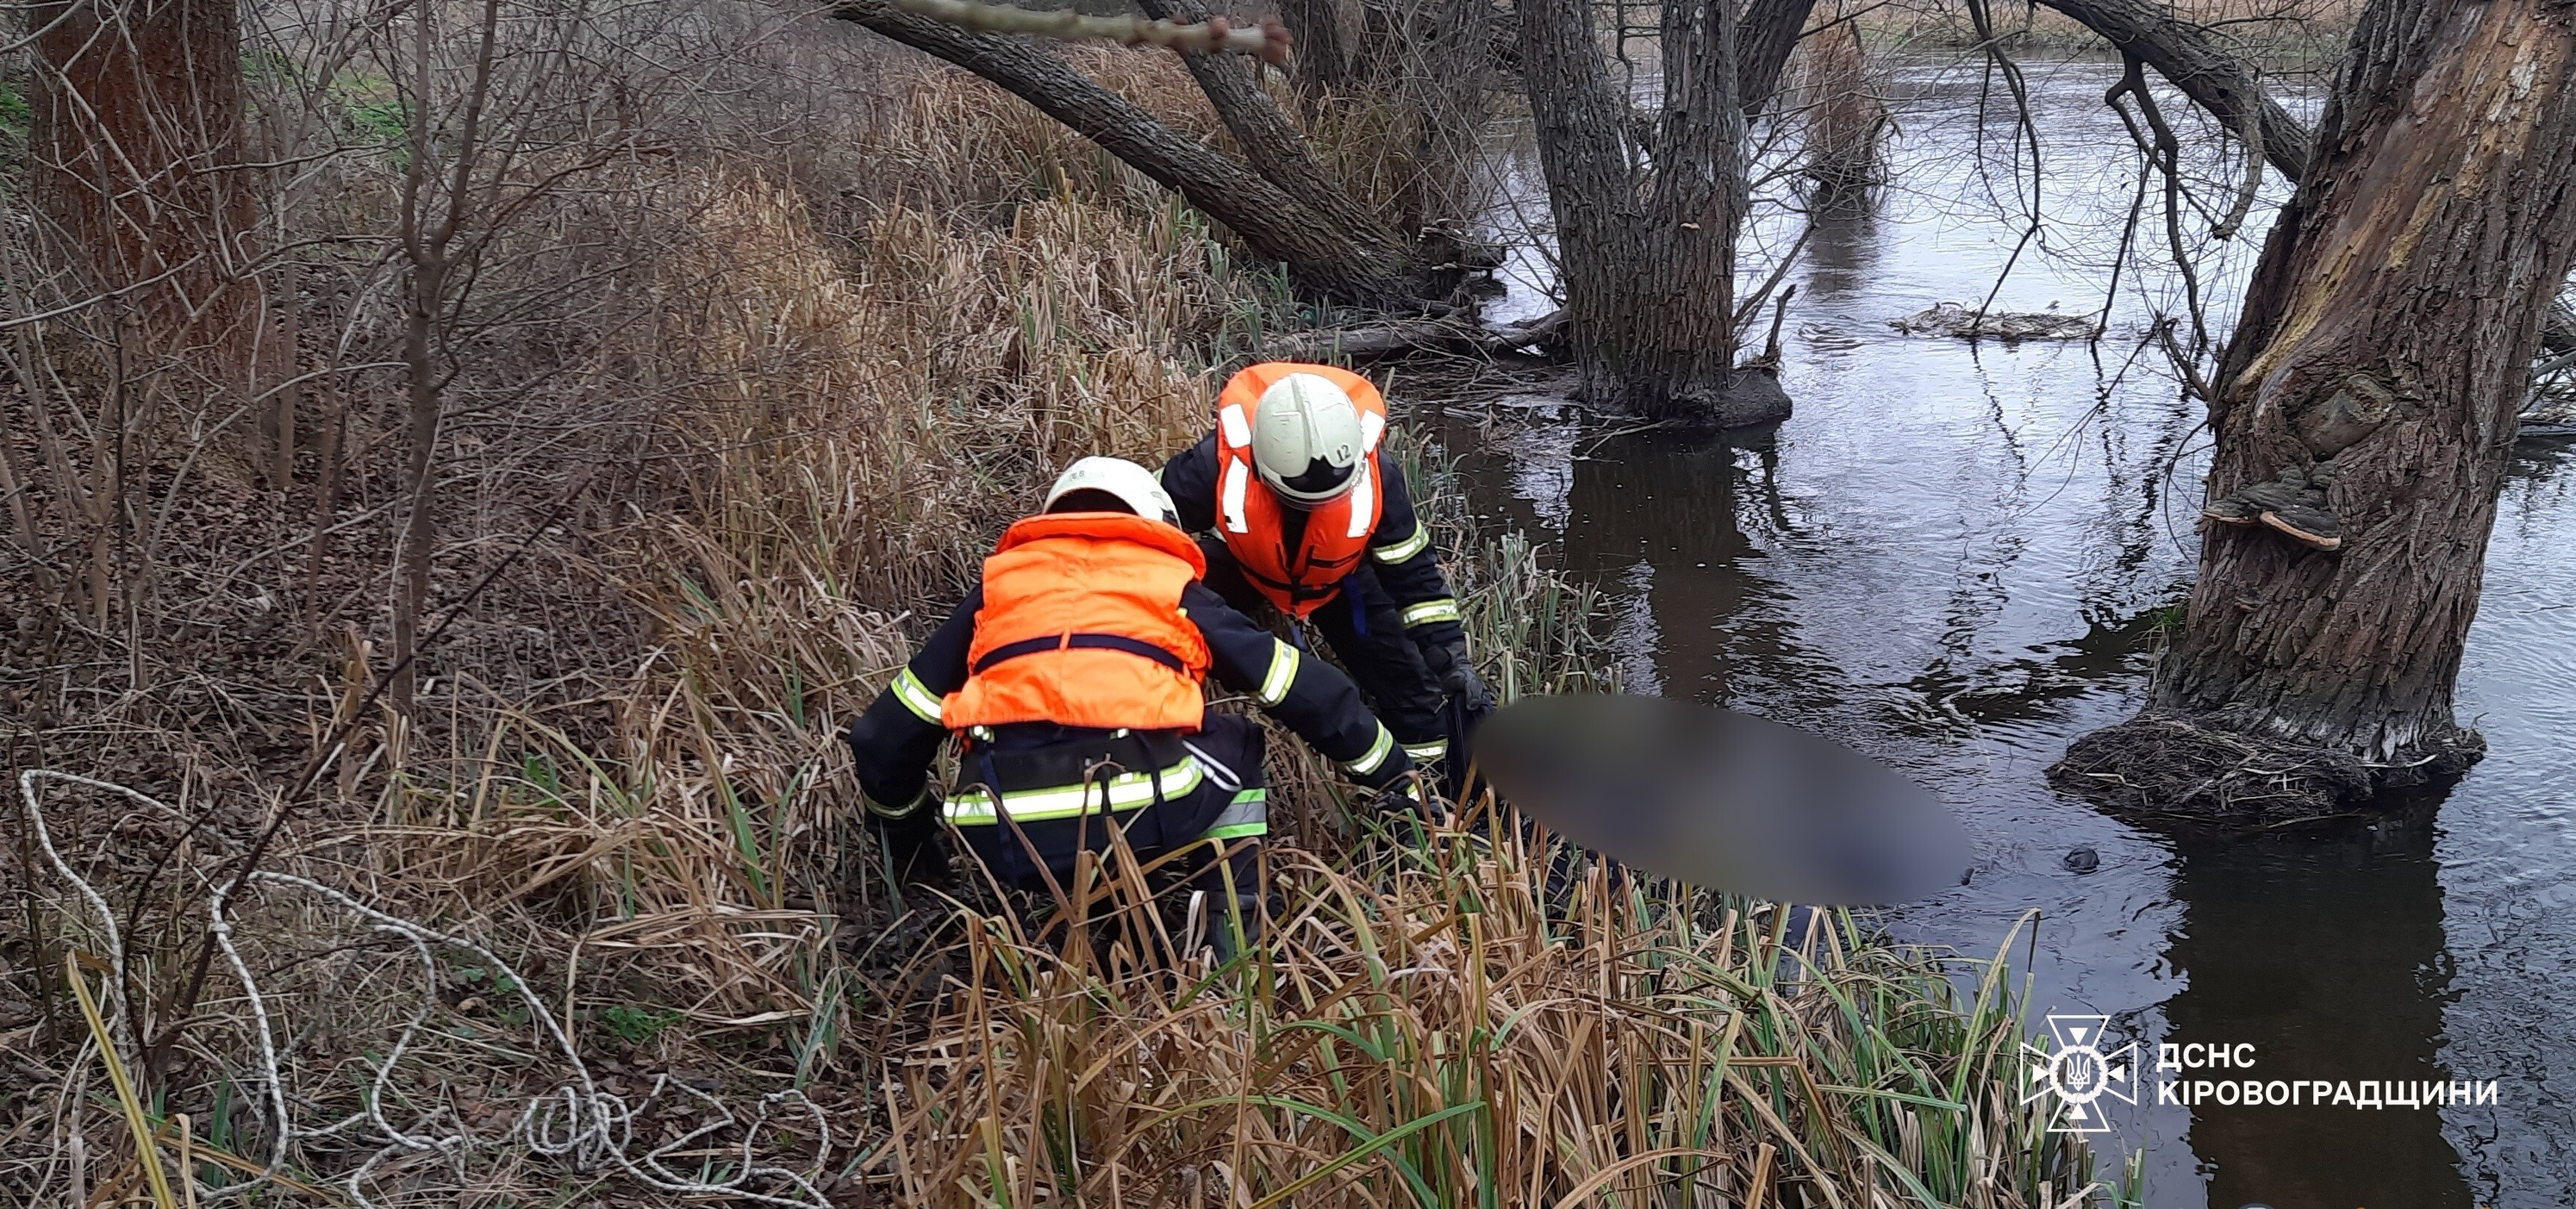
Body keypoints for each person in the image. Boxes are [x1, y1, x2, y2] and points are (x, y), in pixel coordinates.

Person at [844, 456, 1420, 950]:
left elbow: (882, 739)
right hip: (1141, 812)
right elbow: (1300, 689)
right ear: (1157, 522)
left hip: (1000, 834)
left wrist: (914, 859)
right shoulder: (1166, 583)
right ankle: (1231, 947)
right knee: (1240, 746)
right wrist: (1396, 777)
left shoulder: (997, 594)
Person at [1155, 363, 1491, 793]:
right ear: (1261, 468)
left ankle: (1425, 794)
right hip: (1242, 564)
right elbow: (1143, 522)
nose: (1313, 511)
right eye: (1299, 501)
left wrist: (1450, 656)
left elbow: (1414, 575)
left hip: (1341, 579)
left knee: (1416, 695)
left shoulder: (1378, 476)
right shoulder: (1216, 465)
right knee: (1167, 617)